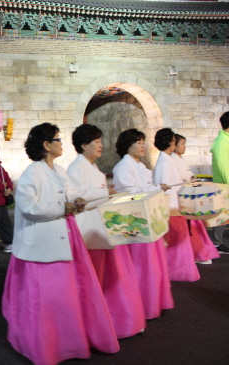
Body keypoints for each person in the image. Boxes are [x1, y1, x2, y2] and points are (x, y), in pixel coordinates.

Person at [3, 123, 118, 365]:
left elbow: (72, 192)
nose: (61, 143)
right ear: (46, 145)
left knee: (66, 297)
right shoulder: (31, 173)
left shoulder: (60, 170)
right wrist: (61, 207)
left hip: (66, 237)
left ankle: (66, 342)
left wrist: (77, 200)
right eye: (58, 139)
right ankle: (45, 345)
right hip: (42, 243)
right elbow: (28, 208)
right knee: (46, 299)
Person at [67, 124, 146, 338]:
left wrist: (106, 191)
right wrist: (103, 191)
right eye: (97, 142)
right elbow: (77, 199)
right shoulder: (76, 168)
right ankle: (98, 325)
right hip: (90, 233)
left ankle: (115, 320)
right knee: (98, 282)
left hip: (102, 230)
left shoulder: (91, 166)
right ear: (84, 145)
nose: (101, 146)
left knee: (111, 279)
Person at [112, 129, 174, 319]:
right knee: (142, 266)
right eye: (138, 142)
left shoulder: (139, 165)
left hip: (149, 219)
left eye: (143, 142)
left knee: (153, 265)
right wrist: (156, 187)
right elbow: (131, 194)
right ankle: (142, 305)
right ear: (127, 146)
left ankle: (154, 301)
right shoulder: (123, 167)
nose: (142, 146)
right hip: (135, 223)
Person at [153, 128, 200, 282]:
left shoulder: (167, 160)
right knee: (177, 240)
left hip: (176, 205)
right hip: (171, 207)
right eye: (173, 141)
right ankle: (176, 270)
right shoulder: (164, 163)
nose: (174, 144)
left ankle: (179, 269)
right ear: (168, 143)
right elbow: (165, 188)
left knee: (180, 239)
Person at [172, 134, 219, 265]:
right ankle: (198, 254)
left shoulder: (178, 160)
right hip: (182, 200)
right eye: (182, 144)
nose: (184, 147)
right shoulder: (172, 161)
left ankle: (200, 253)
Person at [211, 111, 229, 253]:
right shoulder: (222, 143)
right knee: (221, 216)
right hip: (224, 185)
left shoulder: (225, 140)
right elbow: (224, 167)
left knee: (222, 215)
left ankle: (217, 242)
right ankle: (216, 243)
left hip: (225, 184)